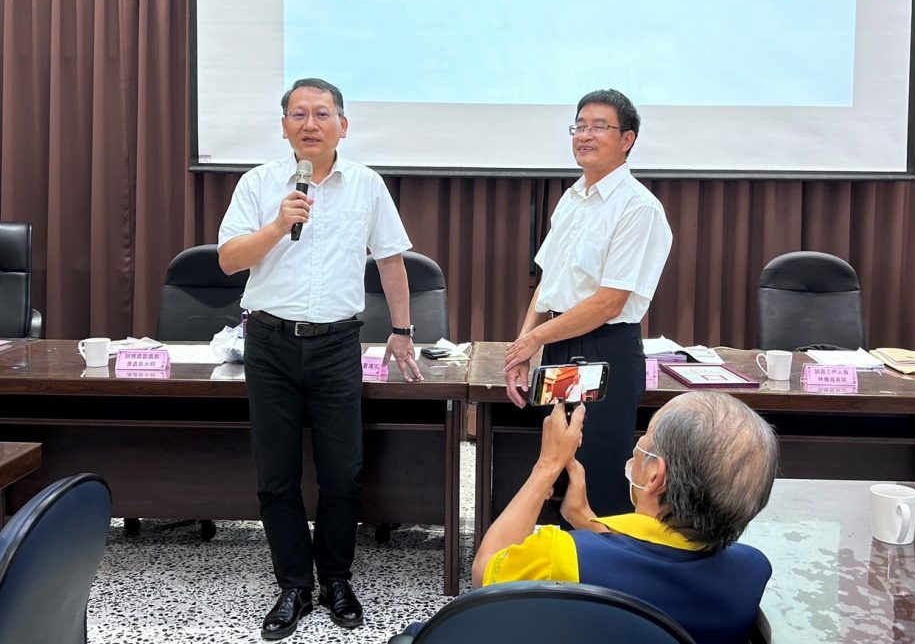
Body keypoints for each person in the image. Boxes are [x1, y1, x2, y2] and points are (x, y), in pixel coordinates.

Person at [218, 77, 421, 641]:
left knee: (342, 472)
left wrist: (402, 331)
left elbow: (391, 261)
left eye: (322, 113)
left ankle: (335, 579)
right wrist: (278, 225)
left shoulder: (367, 185)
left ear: (342, 125)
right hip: (269, 343)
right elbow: (230, 260)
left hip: (336, 346)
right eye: (299, 114)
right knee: (276, 473)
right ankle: (293, 585)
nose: (311, 124)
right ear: (284, 125)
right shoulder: (259, 184)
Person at [471, 391, 780, 644]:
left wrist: (548, 465)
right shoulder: (752, 572)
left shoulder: (561, 555)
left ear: (655, 475)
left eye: (645, 440)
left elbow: (484, 577)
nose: (639, 447)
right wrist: (584, 517)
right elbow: (653, 558)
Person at [504, 88, 672, 516]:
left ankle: (601, 560)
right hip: (560, 346)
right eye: (579, 126)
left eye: (599, 127)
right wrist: (525, 347)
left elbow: (609, 303)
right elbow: (548, 282)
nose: (585, 135)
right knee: (556, 469)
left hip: (604, 349)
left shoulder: (638, 208)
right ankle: (561, 558)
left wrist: (534, 339)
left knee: (596, 479)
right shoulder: (573, 197)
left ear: (627, 139)